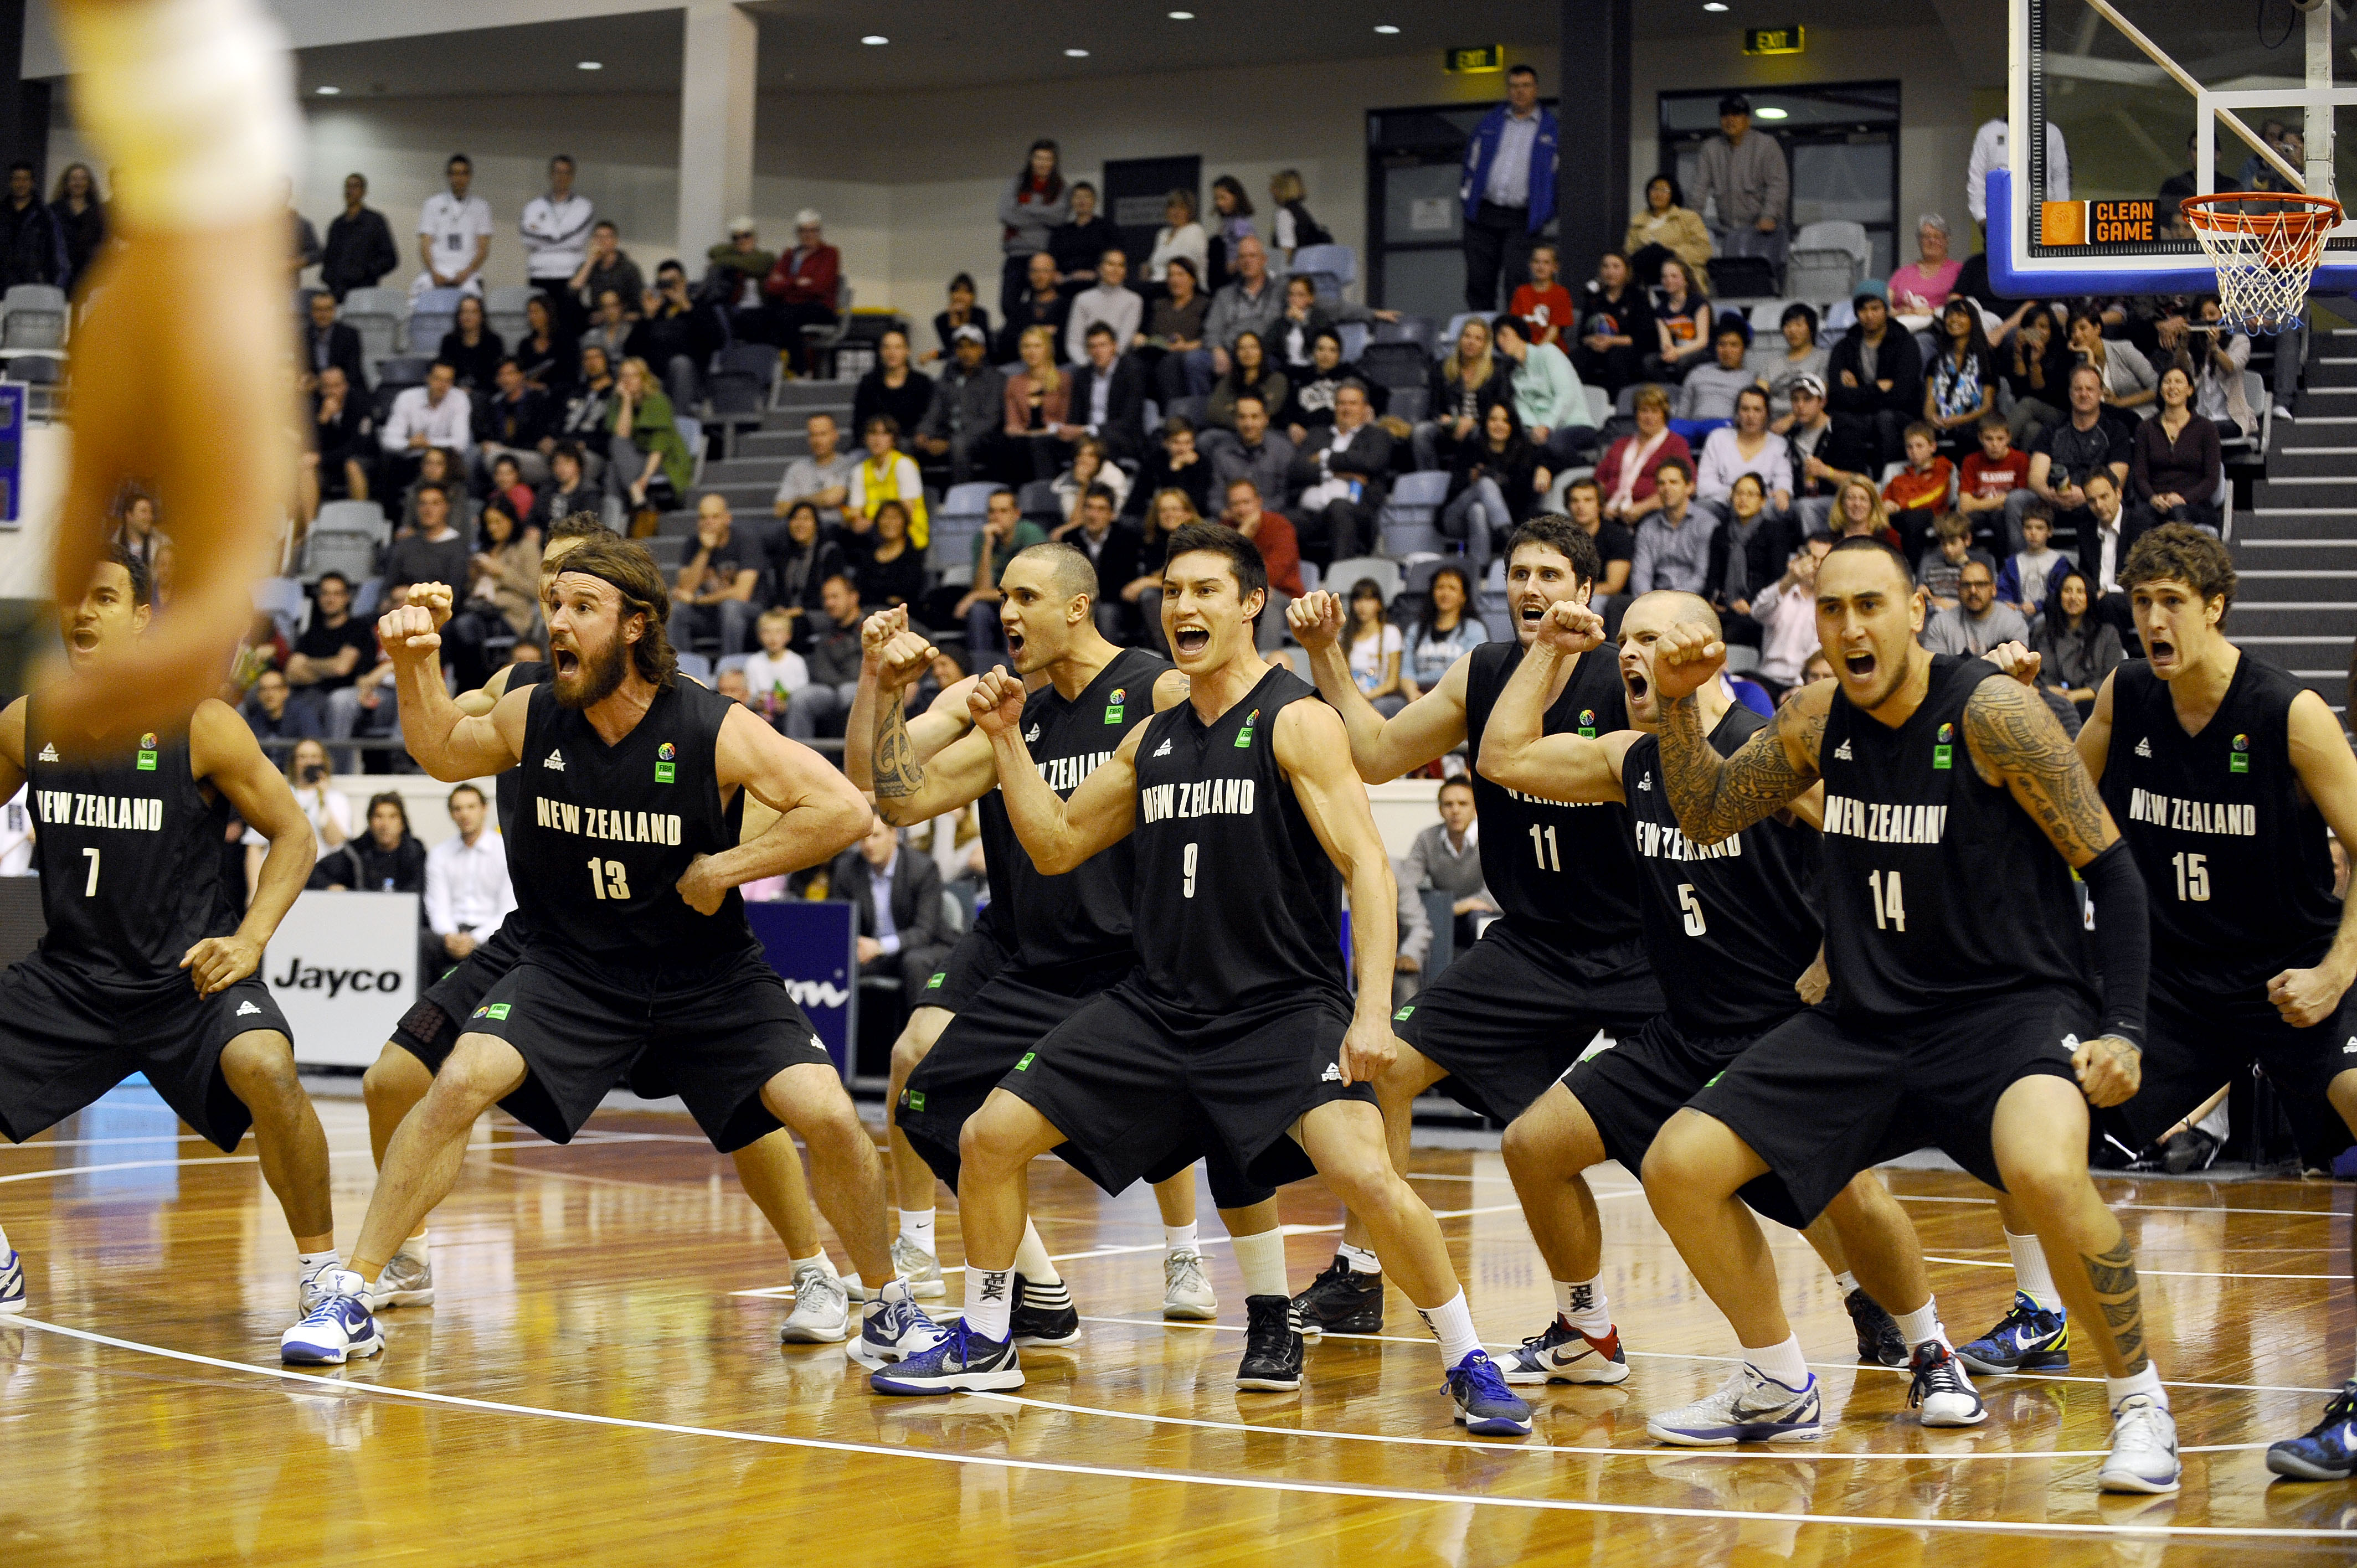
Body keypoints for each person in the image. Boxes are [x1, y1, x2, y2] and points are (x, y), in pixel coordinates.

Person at [885, 526, 1533, 1439]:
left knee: (1368, 1175)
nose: (1184, 607)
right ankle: (989, 1339)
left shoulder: (1294, 719)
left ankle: (1470, 1357)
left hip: (1278, 1007)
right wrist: (1003, 739)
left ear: (1247, 605)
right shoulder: (1151, 739)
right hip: (1156, 1007)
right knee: (988, 1135)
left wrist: (1373, 1007)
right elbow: (1055, 843)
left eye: (1204, 591)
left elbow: (1368, 866)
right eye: (1172, 592)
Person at [283, 537, 929, 1369]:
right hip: (571, 963)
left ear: (635, 627)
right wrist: (415, 659)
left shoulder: (706, 722)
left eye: (582, 607)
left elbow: (842, 809)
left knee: (830, 1114)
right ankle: (356, 1292)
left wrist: (726, 867)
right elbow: (442, 750)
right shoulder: (534, 709)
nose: (559, 621)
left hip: (707, 972)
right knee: (458, 1080)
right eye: (554, 605)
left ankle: (886, 1305)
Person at [1634, 535, 2175, 1492]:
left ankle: (2139, 1403)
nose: (1850, 626)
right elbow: (1710, 811)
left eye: (1870, 605)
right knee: (1679, 1163)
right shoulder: (1812, 721)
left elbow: (2114, 869)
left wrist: (2123, 1027)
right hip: (1863, 1021)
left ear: (1916, 610)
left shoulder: (1992, 714)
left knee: (2045, 1170)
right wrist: (1677, 703)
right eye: (1832, 609)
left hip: (2006, 1012)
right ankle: (1774, 1379)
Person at [1479, 590, 1939, 1392]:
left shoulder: (1765, 751)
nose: (1629, 655)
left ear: (1702, 651)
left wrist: (1840, 949)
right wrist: (1549, 648)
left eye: (1650, 639)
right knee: (1532, 1146)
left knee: (1851, 1195)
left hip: (1779, 1028)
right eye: (1623, 641)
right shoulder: (1634, 759)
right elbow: (1502, 758)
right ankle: (1586, 1331)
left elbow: (1867, 845)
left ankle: (1930, 1347)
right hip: (1681, 1030)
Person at [1996, 527, 2357, 1486]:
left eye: (2169, 600)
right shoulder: (2127, 694)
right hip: (2165, 985)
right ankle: (2039, 1314)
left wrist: (2332, 972)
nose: (2150, 619)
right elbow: (2053, 796)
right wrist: (2023, 706)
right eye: (2140, 601)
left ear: (2214, 605)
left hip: (2292, 977)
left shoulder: (2290, 711)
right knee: (2031, 1114)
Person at [1281, 519, 1662, 1338]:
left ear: (1587, 593)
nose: (1532, 589)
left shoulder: (1624, 675)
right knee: (1380, 1071)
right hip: (1533, 944)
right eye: (1520, 574)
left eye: (1551, 575)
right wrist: (1327, 655)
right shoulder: (1483, 671)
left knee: (1724, 1133)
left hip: (1644, 949)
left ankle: (1866, 1296)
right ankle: (1360, 1274)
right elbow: (1378, 754)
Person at [846, 565, 1235, 1325]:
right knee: (917, 1069)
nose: (1007, 615)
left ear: (1078, 607)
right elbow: (886, 788)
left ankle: (1184, 1250)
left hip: (1126, 939)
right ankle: (1011, 1274)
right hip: (1024, 933)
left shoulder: (1151, 687)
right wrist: (881, 685)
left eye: (1025, 599)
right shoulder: (1000, 704)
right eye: (1002, 602)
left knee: (1161, 1119)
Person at [0, 553, 336, 1322]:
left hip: (187, 980)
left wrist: (251, 939)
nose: (83, 612)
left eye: (105, 598)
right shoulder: (27, 722)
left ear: (145, 618)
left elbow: (293, 835)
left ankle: (325, 1277)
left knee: (269, 1068)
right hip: (72, 981)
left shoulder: (203, 723)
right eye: (74, 599)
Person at [1458, 64, 1557, 312]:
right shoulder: (1490, 122)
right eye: (1514, 86)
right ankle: (1482, 339)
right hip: (1483, 214)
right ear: (1508, 90)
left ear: (1536, 89)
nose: (1519, 92)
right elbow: (1471, 162)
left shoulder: (1551, 129)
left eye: (1525, 86)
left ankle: (1512, 340)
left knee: (1517, 279)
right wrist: (1467, 198)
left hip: (1522, 218)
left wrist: (1546, 211)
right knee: (1479, 281)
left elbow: (1559, 177)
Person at [832, 816, 951, 1012]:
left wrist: (880, 947)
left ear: (893, 835)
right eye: (863, 839)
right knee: (839, 964)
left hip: (926, 947)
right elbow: (839, 923)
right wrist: (856, 944)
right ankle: (850, 1039)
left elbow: (924, 932)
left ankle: (920, 1037)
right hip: (875, 953)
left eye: (876, 836)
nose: (869, 845)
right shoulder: (847, 870)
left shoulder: (922, 869)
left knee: (913, 962)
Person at [2030, 365, 2134, 558]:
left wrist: (2087, 496)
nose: (2084, 394)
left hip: (2096, 502)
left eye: (2090, 389)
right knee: (2017, 501)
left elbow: (2117, 479)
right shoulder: (2053, 429)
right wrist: (2050, 494)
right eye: (2078, 389)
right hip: (2056, 502)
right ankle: (2024, 567)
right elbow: (2036, 476)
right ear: (2070, 393)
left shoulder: (2116, 430)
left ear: (2101, 393)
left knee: (2112, 504)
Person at [1285, 380, 1390, 568]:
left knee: (1339, 508)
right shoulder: (1317, 435)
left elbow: (1370, 462)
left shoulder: (1377, 436)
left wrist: (1325, 457)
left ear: (1365, 408)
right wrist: (1338, 473)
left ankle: (1340, 584)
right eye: (1342, 403)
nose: (1346, 409)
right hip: (1311, 513)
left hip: (1354, 512)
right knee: (1280, 521)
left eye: (1353, 403)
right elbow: (1297, 470)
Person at [1828, 281, 1924, 475]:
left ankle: (1886, 483)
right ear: (1856, 313)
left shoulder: (1906, 344)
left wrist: (1858, 392)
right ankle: (1854, 486)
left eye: (1875, 308)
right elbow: (1838, 396)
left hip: (1901, 416)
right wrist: (1876, 388)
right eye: (1863, 310)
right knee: (1841, 420)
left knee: (1885, 418)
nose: (1869, 315)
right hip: (1860, 416)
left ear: (1886, 309)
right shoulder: (1844, 347)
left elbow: (1902, 396)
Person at [1442, 401, 1548, 572]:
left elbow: (1522, 497)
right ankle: (1512, 541)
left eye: (1505, 421)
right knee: (1485, 484)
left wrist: (1545, 468)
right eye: (1493, 420)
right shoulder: (1471, 447)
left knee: (1478, 510)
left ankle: (1479, 568)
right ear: (1485, 422)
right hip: (1456, 517)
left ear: (1512, 425)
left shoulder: (1523, 452)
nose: (1499, 425)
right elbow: (1454, 488)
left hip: (1493, 521)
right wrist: (1472, 481)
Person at [1691, 94, 1789, 269]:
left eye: (1736, 114)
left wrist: (1769, 216)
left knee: (1760, 280)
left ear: (1748, 120)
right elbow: (1699, 188)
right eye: (1725, 115)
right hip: (1728, 232)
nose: (1730, 120)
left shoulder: (1766, 145)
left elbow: (1778, 184)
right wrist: (1691, 221)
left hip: (1762, 232)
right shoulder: (1710, 149)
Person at [953, 490, 1049, 662]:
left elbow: (1025, 591)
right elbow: (983, 589)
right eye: (992, 511)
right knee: (979, 610)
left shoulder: (1031, 535)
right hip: (997, 601)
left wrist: (975, 595)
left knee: (1012, 609)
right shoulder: (983, 539)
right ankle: (981, 668)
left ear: (1016, 514)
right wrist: (988, 546)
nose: (996, 517)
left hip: (1030, 602)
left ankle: (1016, 670)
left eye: (1003, 511)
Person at [2130, 364, 2222, 533]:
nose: (2172, 387)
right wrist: (2153, 498)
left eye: (2178, 382)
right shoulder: (2145, 428)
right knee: (2136, 519)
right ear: (2160, 390)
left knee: (2178, 514)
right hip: (2156, 503)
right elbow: (2140, 476)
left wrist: (2183, 499)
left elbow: (2211, 479)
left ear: (2190, 390)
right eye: (2167, 382)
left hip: (2194, 505)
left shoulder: (2207, 428)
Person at [1493, 313, 1592, 467]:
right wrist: (1535, 430)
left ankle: (1586, 470)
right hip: (1542, 432)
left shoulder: (1548, 353)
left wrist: (1547, 425)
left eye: (1505, 334)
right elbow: (1523, 407)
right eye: (1498, 338)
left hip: (1574, 424)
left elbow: (1565, 395)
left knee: (1552, 446)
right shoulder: (1514, 374)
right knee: (1515, 449)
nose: (1501, 341)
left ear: (1519, 333)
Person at [913, 325, 1006, 487]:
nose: (966, 352)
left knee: (959, 444)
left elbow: (990, 420)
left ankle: (961, 498)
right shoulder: (947, 378)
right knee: (910, 444)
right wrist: (924, 433)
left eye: (972, 346)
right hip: (948, 434)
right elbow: (933, 412)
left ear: (982, 350)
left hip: (982, 439)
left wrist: (949, 442)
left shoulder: (995, 379)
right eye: (961, 347)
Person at [1749, 529, 1834, 704]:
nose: (1816, 566)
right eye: (1812, 558)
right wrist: (1790, 579)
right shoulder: (1784, 590)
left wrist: (1800, 689)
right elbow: (1757, 612)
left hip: (1804, 683)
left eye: (1823, 561)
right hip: (1767, 677)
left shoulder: (1831, 606)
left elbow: (1817, 654)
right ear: (1800, 557)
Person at [671, 493, 760, 656]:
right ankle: (682, 670)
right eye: (703, 518)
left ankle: (730, 668)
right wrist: (705, 550)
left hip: (748, 612)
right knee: (677, 611)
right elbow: (685, 591)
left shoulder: (746, 540)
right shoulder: (693, 543)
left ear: (728, 518)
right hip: (710, 613)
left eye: (715, 517)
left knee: (730, 608)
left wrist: (698, 600)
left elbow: (742, 594)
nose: (708, 523)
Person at [1416, 315, 1509, 473]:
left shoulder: (1496, 370)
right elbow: (1433, 409)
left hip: (1481, 427)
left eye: (1478, 338)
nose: (1471, 342)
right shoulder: (1442, 368)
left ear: (1485, 345)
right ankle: (1430, 479)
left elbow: (1502, 407)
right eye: (1467, 336)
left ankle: (1465, 480)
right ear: (1460, 339)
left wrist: (1473, 422)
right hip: (1450, 427)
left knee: (1475, 434)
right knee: (1421, 432)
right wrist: (1445, 419)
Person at [1194, 235, 1284, 396]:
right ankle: (1206, 413)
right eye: (1242, 257)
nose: (1247, 261)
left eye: (1252, 256)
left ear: (1264, 260)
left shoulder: (1281, 290)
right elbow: (1212, 330)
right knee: (1194, 361)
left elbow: (1311, 302)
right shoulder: (1225, 294)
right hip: (1230, 352)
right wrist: (1217, 349)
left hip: (1265, 354)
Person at [2025, 568, 2122, 718]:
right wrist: (2047, 690)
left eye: (2080, 591)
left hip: (2091, 705)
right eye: (2068, 591)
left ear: (2089, 596)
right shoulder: (2041, 632)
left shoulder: (2107, 634)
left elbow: (2113, 679)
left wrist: (2077, 695)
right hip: (2046, 701)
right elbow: (2030, 677)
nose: (2073, 597)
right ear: (2059, 596)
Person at [1596, 386, 1692, 532]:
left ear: (1664, 415)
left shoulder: (1676, 444)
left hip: (1652, 514)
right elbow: (1599, 481)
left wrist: (1642, 508)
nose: (1649, 417)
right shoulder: (1620, 444)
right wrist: (1603, 506)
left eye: (1655, 411)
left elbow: (1689, 486)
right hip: (1611, 513)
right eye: (1644, 411)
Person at [998, 140, 1070, 323]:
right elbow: (1006, 214)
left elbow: (1059, 218)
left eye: (1048, 159)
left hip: (1043, 257)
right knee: (1008, 304)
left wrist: (1025, 208)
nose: (1043, 163)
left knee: (1039, 307)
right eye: (1039, 158)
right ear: (1031, 160)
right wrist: (1043, 215)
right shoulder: (1016, 183)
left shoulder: (1061, 188)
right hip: (1016, 254)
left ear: (1054, 162)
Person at [764, 209, 841, 376]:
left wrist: (785, 284)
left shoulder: (830, 254)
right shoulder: (789, 255)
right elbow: (770, 286)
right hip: (790, 307)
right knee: (758, 318)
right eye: (804, 230)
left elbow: (819, 287)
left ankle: (801, 369)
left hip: (821, 309)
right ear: (798, 232)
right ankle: (769, 373)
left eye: (813, 230)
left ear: (820, 232)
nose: (809, 235)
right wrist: (796, 282)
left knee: (786, 315)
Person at [1060, 320, 1148, 464]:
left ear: (1114, 346)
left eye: (1103, 345)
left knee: (1104, 441)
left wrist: (1088, 430)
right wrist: (1069, 430)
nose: (1098, 351)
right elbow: (1075, 415)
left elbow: (1128, 421)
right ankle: (1052, 485)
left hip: (1121, 437)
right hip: (1086, 435)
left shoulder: (1132, 372)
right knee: (1046, 442)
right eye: (1093, 347)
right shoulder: (1083, 375)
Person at [1696, 387, 1793, 518]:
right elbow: (1704, 485)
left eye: (1757, 410)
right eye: (1745, 409)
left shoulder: (1779, 444)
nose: (1751, 416)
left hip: (1761, 506)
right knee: (1702, 506)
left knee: (1777, 507)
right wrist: (1736, 495)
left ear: (1767, 414)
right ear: (1737, 413)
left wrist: (1782, 491)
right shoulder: (1718, 438)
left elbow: (1783, 480)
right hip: (1724, 503)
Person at [1403, 566, 1489, 704]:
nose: (1445, 593)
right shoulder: (1415, 630)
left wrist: (1440, 697)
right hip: (1418, 697)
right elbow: (1407, 671)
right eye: (1440, 588)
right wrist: (1413, 694)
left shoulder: (1475, 630)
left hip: (1456, 697)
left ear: (1463, 597)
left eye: (1452, 588)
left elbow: (1471, 673)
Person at [1629, 460, 1717, 596]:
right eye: (1661, 483)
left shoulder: (1707, 524)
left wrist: (1672, 602)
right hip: (1655, 599)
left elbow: (1701, 576)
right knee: (1616, 605)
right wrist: (1646, 600)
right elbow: (1641, 573)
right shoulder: (1647, 527)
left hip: (1693, 600)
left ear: (1689, 487)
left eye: (1673, 482)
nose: (1667, 488)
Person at [380, 361, 474, 487]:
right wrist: (410, 444)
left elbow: (460, 444)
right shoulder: (407, 398)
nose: (442, 385)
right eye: (438, 379)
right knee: (393, 465)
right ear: (428, 378)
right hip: (412, 459)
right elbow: (388, 440)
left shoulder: (459, 398)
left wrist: (427, 443)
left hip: (445, 460)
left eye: (448, 381)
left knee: (461, 462)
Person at [413, 153, 491, 301]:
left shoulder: (481, 207)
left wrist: (466, 273)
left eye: (463, 174)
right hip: (436, 273)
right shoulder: (432, 204)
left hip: (468, 275)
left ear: (469, 176)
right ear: (448, 176)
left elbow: (483, 249)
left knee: (473, 306)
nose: (459, 178)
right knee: (417, 302)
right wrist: (434, 272)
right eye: (454, 174)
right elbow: (425, 245)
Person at [1574, 251, 1653, 396]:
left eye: (1616, 267)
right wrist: (1592, 340)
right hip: (1597, 348)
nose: (1610, 272)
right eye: (1606, 267)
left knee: (1615, 358)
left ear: (1627, 271)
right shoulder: (1594, 298)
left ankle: (1617, 405)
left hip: (1626, 348)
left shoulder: (1637, 297)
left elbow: (1644, 337)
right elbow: (1582, 336)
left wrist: (1612, 341)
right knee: (1576, 358)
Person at [519, 155, 593, 309]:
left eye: (566, 172)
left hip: (570, 276)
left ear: (572, 176)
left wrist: (542, 236)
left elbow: (577, 241)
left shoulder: (584, 207)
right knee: (541, 324)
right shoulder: (533, 207)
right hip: (539, 276)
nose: (561, 177)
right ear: (551, 175)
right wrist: (559, 237)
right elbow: (527, 239)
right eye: (557, 172)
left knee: (569, 326)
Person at [1924, 298, 1993, 460]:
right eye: (1949, 316)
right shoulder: (1936, 360)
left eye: (1961, 315)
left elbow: (1988, 406)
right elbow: (1929, 403)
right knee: (1919, 432)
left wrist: (1959, 420)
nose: (1954, 320)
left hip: (1972, 421)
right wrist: (1931, 417)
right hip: (1941, 421)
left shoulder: (1986, 358)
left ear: (1973, 321)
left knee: (1968, 432)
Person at [1001, 324, 1071, 484]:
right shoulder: (1014, 382)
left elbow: (1066, 420)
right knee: (1007, 445)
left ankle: (1044, 495)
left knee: (1038, 445)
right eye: (1027, 346)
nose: (1032, 351)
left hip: (1056, 437)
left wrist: (1039, 433)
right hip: (1024, 438)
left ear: (1047, 349)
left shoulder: (1064, 380)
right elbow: (1013, 424)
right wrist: (1021, 432)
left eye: (1037, 346)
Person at [1923, 556, 2027, 658]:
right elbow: (1937, 671)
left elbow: (2017, 671)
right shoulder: (1940, 624)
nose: (1973, 591)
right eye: (1966, 585)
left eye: (1980, 584)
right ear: (1959, 590)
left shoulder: (2014, 623)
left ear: (1994, 590)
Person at [323, 790, 425, 895]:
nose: (385, 825)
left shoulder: (416, 855)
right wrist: (331, 886)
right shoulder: (355, 853)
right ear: (370, 822)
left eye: (392, 817)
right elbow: (316, 874)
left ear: (402, 823)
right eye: (379, 817)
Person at [1882, 422, 1956, 566]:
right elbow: (1885, 498)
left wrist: (1899, 506)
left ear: (1933, 447)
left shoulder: (1943, 469)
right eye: (1910, 447)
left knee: (1915, 518)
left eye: (1920, 446)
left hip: (1934, 516)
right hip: (1902, 518)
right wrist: (1884, 505)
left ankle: (1912, 569)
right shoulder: (1900, 478)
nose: (1914, 451)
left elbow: (1933, 498)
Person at [1999, 303, 2073, 445]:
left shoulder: (2064, 352)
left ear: (2052, 330)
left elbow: (2047, 396)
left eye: (2043, 327)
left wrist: (2036, 363)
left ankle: (1996, 450)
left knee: (2029, 403)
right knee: (2032, 430)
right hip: (2032, 416)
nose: (2037, 332)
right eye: (2032, 327)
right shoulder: (2020, 350)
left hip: (2061, 413)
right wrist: (2019, 355)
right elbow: (2019, 393)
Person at [1624, 174, 1712, 292]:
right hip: (1646, 272)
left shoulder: (1688, 218)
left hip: (1679, 269)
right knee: (1641, 256)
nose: (1658, 194)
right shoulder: (1637, 222)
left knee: (1656, 250)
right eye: (1654, 189)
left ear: (1673, 194)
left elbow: (1703, 250)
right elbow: (1630, 254)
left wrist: (1672, 252)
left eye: (1664, 190)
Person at [851, 326, 935, 448]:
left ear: (908, 351)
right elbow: (859, 421)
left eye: (898, 347)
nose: (892, 353)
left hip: (911, 444)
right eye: (887, 347)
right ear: (881, 351)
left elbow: (929, 418)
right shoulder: (869, 382)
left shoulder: (922, 383)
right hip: (874, 444)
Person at [1206, 393, 1290, 513]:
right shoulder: (1221, 453)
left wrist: (1256, 515)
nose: (1248, 424)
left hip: (1271, 518)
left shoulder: (1283, 450)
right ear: (1235, 420)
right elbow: (1215, 498)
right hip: (1232, 519)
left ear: (1266, 419)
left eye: (1254, 417)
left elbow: (1285, 496)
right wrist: (1228, 514)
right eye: (1242, 417)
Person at [774, 411, 860, 527]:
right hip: (804, 530)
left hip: (837, 529)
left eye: (823, 434)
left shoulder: (849, 466)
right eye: (813, 435)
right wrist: (818, 499)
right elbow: (779, 510)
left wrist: (797, 501)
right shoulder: (797, 469)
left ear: (835, 435)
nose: (817, 440)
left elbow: (832, 498)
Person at [321, 172, 398, 300]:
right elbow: (328, 257)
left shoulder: (375, 221)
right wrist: (328, 277)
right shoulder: (337, 225)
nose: (350, 191)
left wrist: (365, 273)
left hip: (365, 291)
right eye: (348, 187)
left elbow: (390, 258)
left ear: (364, 192)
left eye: (355, 187)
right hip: (337, 291)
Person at [1341, 577, 1405, 719]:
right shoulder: (1345, 637)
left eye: (1369, 600)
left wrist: (1364, 698)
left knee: (1376, 708)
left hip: (1381, 698)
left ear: (1379, 604)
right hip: (1352, 699)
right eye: (1358, 600)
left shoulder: (1391, 633)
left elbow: (1392, 683)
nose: (1362, 606)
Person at [2070, 308, 2156, 412]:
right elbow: (2094, 397)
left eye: (2082, 328)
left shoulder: (2123, 349)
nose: (2077, 335)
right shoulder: (2082, 361)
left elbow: (2156, 387)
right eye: (2073, 331)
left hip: (2143, 416)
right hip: (2110, 423)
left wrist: (2120, 403)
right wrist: (2089, 354)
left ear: (2097, 328)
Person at [1205, 328, 1287, 436]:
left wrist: (1233, 409)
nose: (1248, 352)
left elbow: (1269, 410)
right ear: (1236, 354)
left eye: (1253, 347)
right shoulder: (1227, 381)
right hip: (1232, 434)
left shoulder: (1277, 380)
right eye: (1242, 348)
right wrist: (1243, 425)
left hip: (1267, 433)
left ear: (1261, 351)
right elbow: (1214, 412)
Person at [998, 251, 1069, 368]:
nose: (1039, 276)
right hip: (1024, 367)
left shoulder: (1068, 307)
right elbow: (1005, 345)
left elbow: (1067, 345)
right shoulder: (1021, 309)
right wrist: (1043, 332)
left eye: (1045, 271)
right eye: (1035, 271)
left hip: (1059, 367)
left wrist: (1026, 334)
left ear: (1055, 274)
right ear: (1028, 275)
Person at [1646, 258, 1712, 383]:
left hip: (1700, 351)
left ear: (1685, 280)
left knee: (1683, 362)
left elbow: (1702, 341)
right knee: (1649, 362)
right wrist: (1669, 351)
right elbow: (1665, 341)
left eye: (1674, 276)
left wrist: (1677, 352)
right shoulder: (1661, 309)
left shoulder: (1698, 303)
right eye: (1665, 277)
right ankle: (1666, 392)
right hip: (1677, 350)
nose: (1669, 280)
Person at [1760, 303, 1827, 424]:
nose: (1792, 330)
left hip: (1806, 422)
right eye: (1787, 325)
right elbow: (1759, 395)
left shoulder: (1823, 358)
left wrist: (1789, 421)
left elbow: (1821, 395)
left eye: (1798, 325)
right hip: (1772, 422)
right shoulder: (1773, 362)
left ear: (1811, 329)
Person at [742, 608, 810, 727]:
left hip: (790, 716)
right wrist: (759, 703)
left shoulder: (797, 662)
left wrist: (786, 706)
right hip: (760, 718)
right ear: (759, 636)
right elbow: (750, 695)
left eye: (779, 632)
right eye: (767, 632)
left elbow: (803, 694)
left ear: (788, 636)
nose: (773, 637)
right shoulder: (753, 662)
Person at [1889, 215, 1962, 325]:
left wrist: (1932, 312)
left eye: (1938, 237)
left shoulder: (1959, 270)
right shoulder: (1902, 273)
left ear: (1947, 241)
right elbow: (1883, 306)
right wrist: (1901, 312)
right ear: (1919, 241)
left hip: (1940, 327)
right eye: (1926, 237)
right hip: (1902, 325)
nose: (1932, 241)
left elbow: (1963, 306)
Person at [861, 501, 927, 617]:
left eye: (895, 517)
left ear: (905, 522)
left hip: (906, 617)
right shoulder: (868, 556)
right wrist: (887, 597)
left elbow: (908, 590)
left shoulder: (913, 556)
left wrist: (878, 593)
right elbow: (861, 590)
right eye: (885, 517)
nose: (889, 522)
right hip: (870, 614)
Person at [1048, 182, 1115, 297]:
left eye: (1086, 197)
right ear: (1071, 201)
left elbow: (1115, 255)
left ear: (1094, 201)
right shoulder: (1061, 231)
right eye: (1078, 197)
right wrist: (1055, 274)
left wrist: (1097, 273)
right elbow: (1052, 257)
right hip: (1066, 287)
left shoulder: (1107, 228)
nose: (1082, 201)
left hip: (1098, 285)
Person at [1508, 243, 1575, 350]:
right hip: (1524, 349)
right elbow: (1516, 326)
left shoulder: (1561, 293)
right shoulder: (1521, 292)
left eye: (1546, 262)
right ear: (1530, 265)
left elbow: (1554, 331)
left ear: (1555, 267)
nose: (1541, 266)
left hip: (1551, 350)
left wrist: (1536, 353)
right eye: (1536, 262)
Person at [1141, 191, 1206, 298]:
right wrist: (1147, 267)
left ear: (1189, 212)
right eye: (1172, 208)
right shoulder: (1163, 234)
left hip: (1186, 290)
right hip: (1157, 287)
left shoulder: (1195, 231)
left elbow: (1185, 264)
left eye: (1181, 208)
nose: (1176, 212)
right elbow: (1154, 262)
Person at [435, 294, 504, 393]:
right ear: (459, 316)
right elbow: (443, 370)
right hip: (453, 393)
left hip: (486, 394)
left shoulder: (494, 342)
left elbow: (497, 376)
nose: (468, 316)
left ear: (482, 316)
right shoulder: (449, 341)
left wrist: (473, 391)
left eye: (473, 312)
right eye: (464, 312)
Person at [1265, 169, 1330, 265]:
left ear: (1281, 189)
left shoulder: (1284, 214)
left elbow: (1287, 250)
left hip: (1297, 272)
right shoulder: (1303, 213)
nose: (1271, 191)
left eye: (1274, 187)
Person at [927, 272, 991, 365]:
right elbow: (953, 350)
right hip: (957, 364)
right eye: (957, 291)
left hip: (982, 362)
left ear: (973, 296)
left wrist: (938, 355)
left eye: (966, 292)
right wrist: (954, 319)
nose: (961, 296)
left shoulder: (980, 314)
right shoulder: (941, 320)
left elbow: (984, 346)